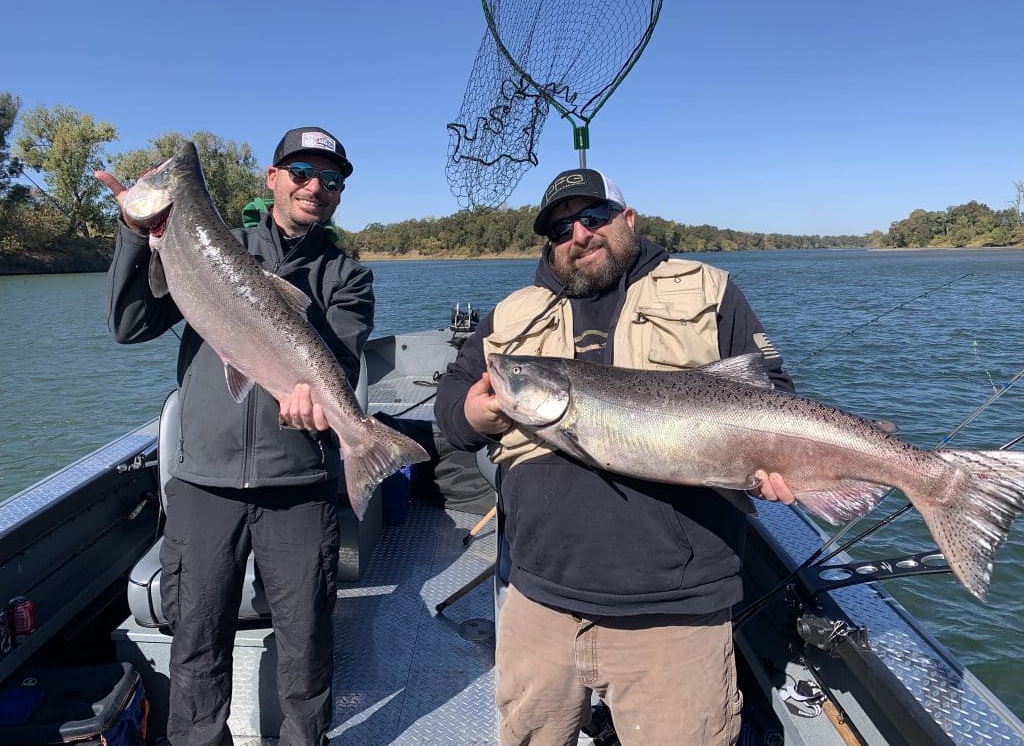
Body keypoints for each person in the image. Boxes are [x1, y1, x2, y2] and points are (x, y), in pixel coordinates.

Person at [434, 168, 797, 746]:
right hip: (539, 599)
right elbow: (453, 403)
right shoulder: (512, 314)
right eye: (559, 228)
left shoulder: (709, 289)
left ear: (628, 220)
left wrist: (774, 464)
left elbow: (773, 391)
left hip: (676, 608)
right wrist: (474, 415)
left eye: (594, 217)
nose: (578, 234)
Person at [100, 127, 373, 746]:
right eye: (302, 173)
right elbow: (128, 323)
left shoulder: (347, 274)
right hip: (203, 482)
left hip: (299, 484)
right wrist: (134, 232)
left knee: (306, 641)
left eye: (332, 180)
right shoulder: (206, 244)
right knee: (195, 640)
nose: (316, 188)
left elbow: (343, 363)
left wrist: (330, 412)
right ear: (271, 179)